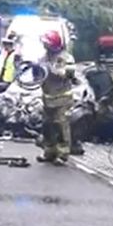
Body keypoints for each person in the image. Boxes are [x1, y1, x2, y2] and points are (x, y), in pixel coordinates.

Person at [38, 30, 76, 165]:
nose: (44, 46)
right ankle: (49, 151)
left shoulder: (66, 58)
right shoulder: (43, 58)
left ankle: (63, 153)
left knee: (61, 125)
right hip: (47, 98)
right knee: (47, 126)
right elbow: (38, 76)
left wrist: (55, 70)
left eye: (46, 43)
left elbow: (70, 74)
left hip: (62, 99)